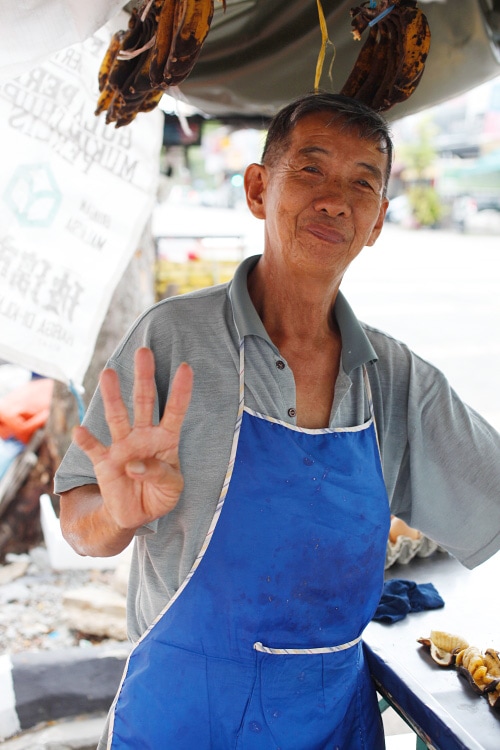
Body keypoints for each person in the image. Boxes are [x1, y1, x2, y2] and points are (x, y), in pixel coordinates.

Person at [55, 92, 500, 750]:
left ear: (378, 220)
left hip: (331, 729)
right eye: (311, 171)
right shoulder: (171, 340)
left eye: (362, 183)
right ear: (259, 188)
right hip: (182, 722)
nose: (335, 201)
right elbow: (80, 524)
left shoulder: (396, 381)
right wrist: (117, 514)